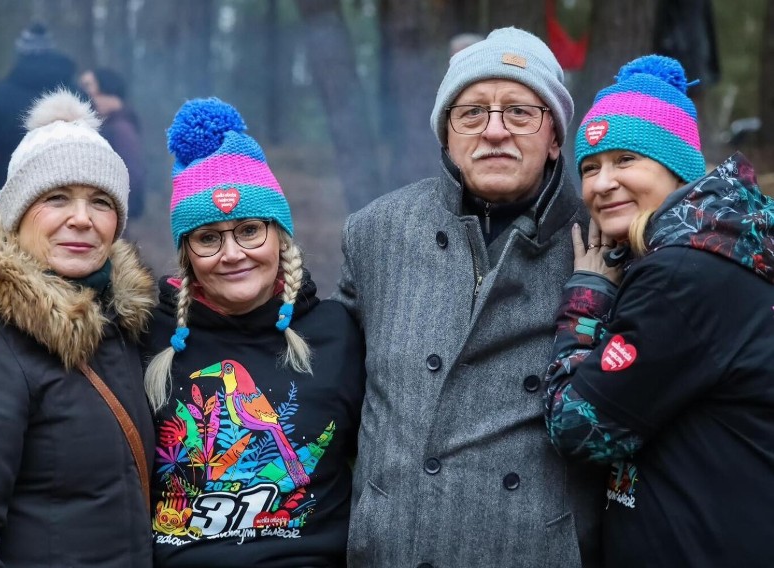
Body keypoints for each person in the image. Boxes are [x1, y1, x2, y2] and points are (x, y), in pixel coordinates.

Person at [334, 27, 603, 567]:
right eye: (472, 113)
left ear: (555, 137)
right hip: (396, 547)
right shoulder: (376, 233)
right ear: (447, 136)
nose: (495, 132)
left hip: (532, 548)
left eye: (521, 113)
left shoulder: (599, 240)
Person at [544, 55, 774, 567]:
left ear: (678, 168)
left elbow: (577, 426)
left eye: (625, 160)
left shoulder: (684, 275)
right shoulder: (720, 248)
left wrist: (587, 295)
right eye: (589, 167)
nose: (601, 184)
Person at [0, 89, 155, 566]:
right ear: (18, 213)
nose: (82, 219)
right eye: (56, 198)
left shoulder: (118, 324)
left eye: (101, 202)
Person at [142, 97, 365, 567]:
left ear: (280, 236)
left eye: (249, 230)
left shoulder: (337, 332)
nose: (232, 253)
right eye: (208, 238)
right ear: (187, 255)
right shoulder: (146, 333)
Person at [0, 22, 80, 199]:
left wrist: (4, 186)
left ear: (20, 53)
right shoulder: (77, 94)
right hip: (69, 197)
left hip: (16, 195)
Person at [79, 67, 147, 220]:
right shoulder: (105, 126)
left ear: (105, 92)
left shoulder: (119, 129)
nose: (81, 91)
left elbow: (133, 180)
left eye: (87, 86)